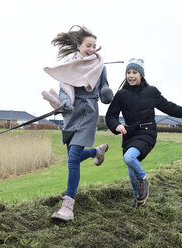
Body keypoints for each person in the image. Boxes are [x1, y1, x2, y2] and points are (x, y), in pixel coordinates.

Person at [105, 58, 182, 207]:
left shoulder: (151, 92)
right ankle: (138, 198)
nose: (131, 76)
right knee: (131, 170)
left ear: (141, 75)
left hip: (147, 133)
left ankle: (144, 180)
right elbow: (110, 116)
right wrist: (116, 126)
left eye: (135, 72)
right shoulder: (121, 95)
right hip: (130, 135)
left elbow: (171, 108)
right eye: (128, 72)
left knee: (129, 158)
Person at [41, 25, 114, 221]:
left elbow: (105, 86)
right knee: (75, 156)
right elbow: (64, 89)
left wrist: (107, 93)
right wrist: (64, 103)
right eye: (88, 45)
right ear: (78, 45)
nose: (92, 49)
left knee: (73, 160)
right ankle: (96, 152)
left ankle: (68, 206)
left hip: (89, 113)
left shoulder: (101, 66)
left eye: (94, 46)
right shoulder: (69, 66)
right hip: (71, 114)